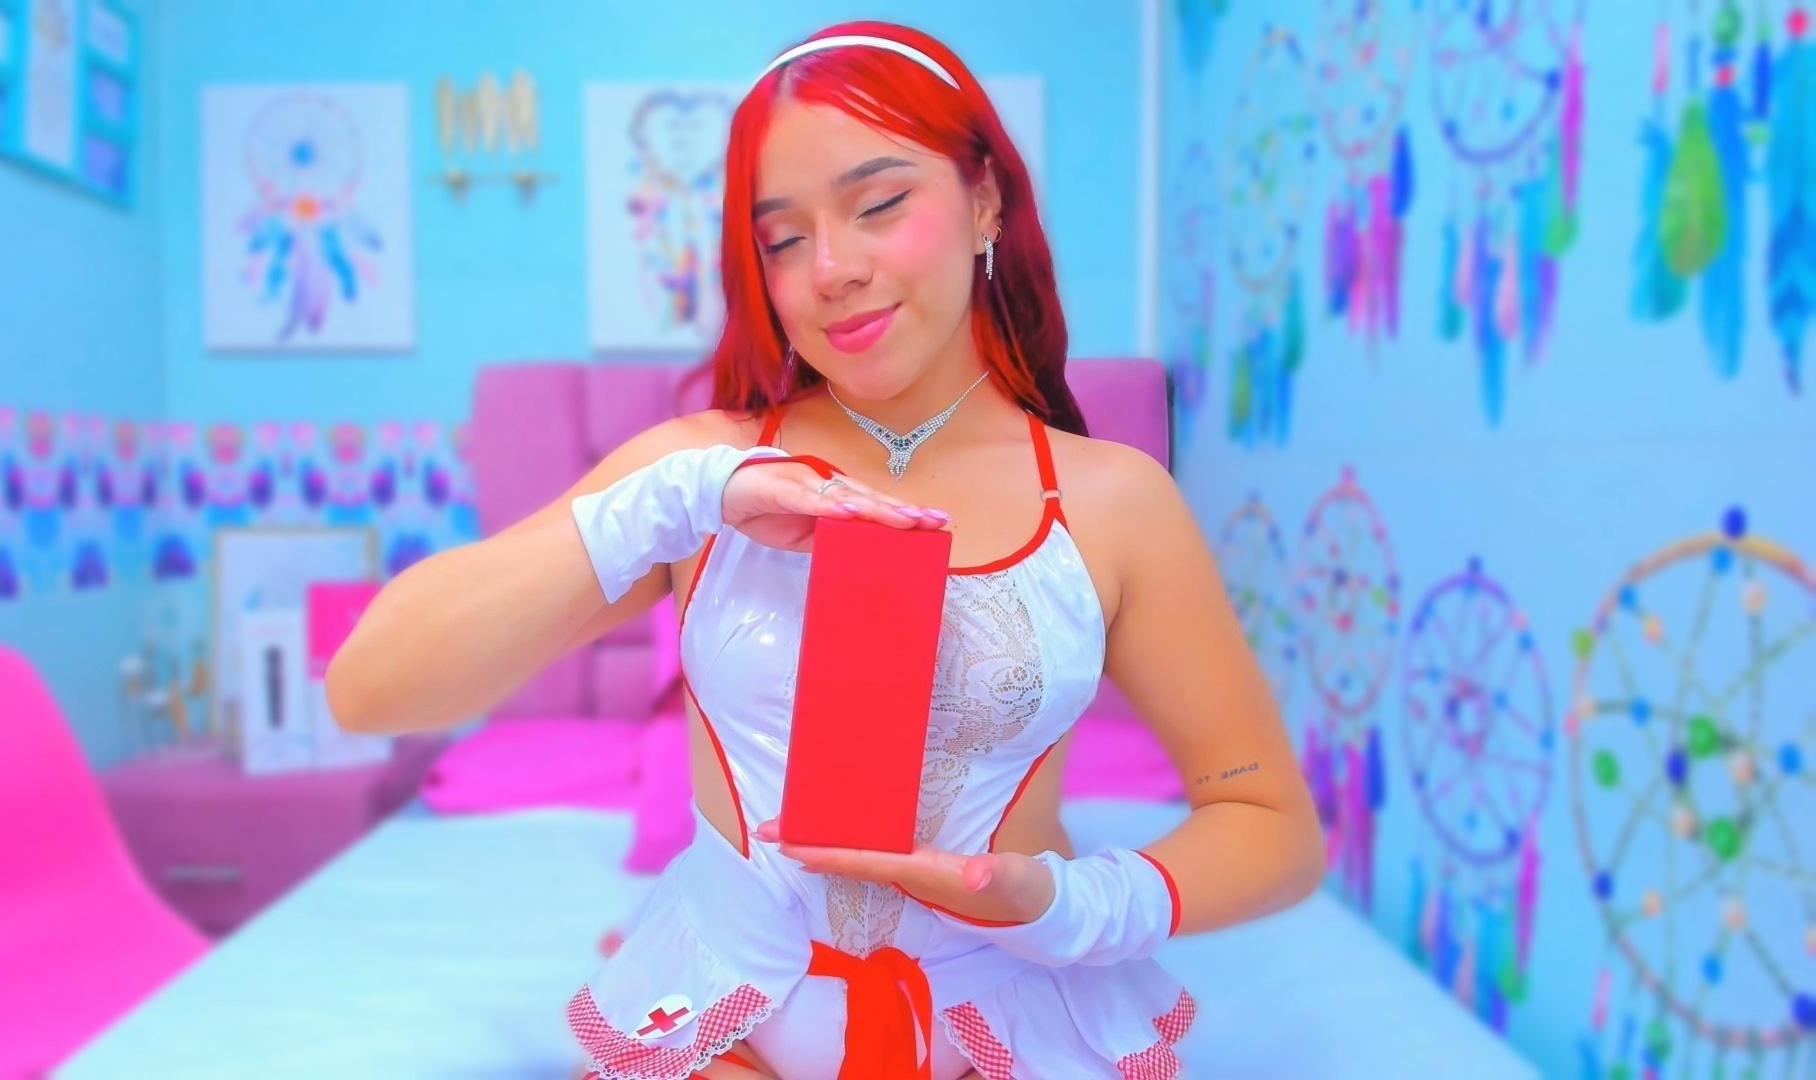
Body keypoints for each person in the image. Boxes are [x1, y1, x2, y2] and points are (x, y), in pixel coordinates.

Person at [327, 21, 1324, 1079]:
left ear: (986, 199)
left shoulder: (1114, 502)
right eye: (782, 240)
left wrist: (1074, 906)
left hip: (1009, 1029)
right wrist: (675, 498)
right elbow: (370, 689)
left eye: (879, 204)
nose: (832, 269)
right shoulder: (702, 475)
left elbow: (1268, 822)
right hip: (724, 1024)